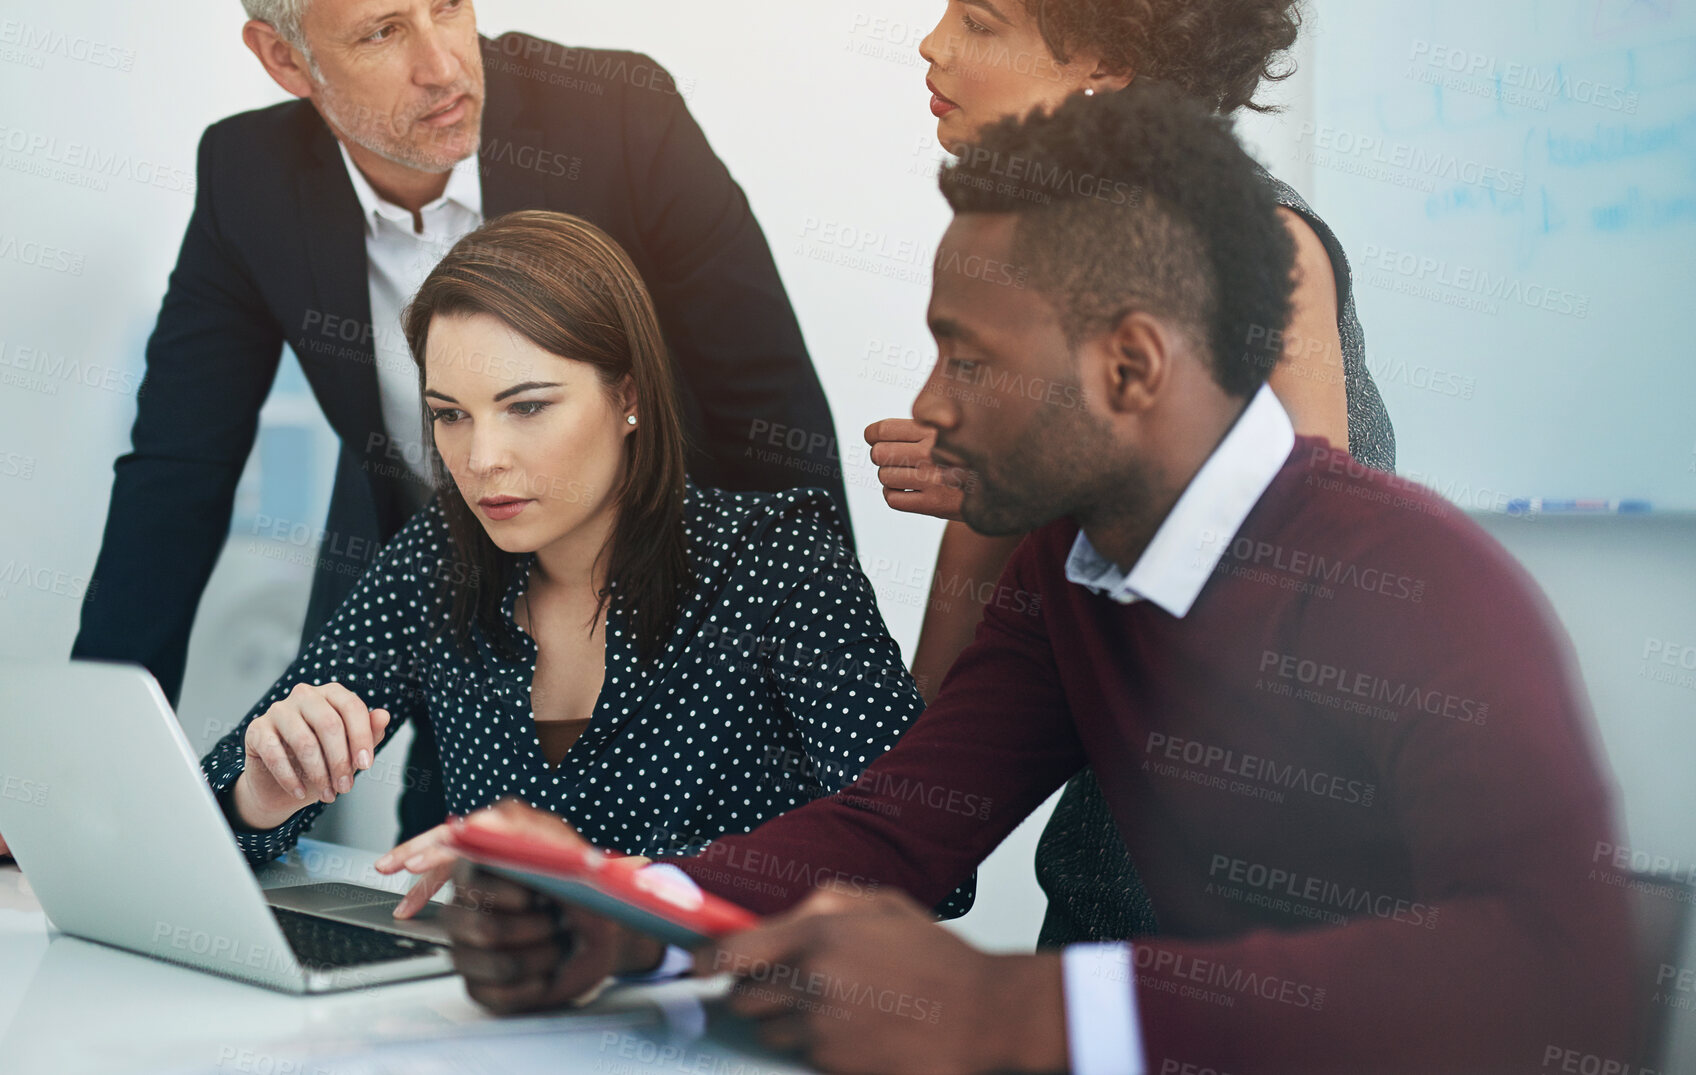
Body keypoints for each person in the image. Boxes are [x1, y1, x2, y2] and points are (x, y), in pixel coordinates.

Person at [418, 86, 1630, 1073]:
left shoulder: (1421, 584)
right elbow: (899, 828)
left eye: (969, 358)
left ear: (1131, 366)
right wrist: (626, 916)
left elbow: (1557, 976)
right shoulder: (1072, 570)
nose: (931, 406)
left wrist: (1017, 1011)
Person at [67, 0, 848, 857]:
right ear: (283, 58)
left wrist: (807, 653)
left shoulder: (618, 118)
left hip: (678, 615)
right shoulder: (247, 176)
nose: (442, 67)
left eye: (450, 3)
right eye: (382, 31)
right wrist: (83, 786)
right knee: (446, 886)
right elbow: (174, 475)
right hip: (449, 609)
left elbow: (769, 407)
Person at [865, 0, 1396, 948]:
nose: (931, 47)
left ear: (1104, 57)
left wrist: (1048, 472)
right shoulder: (1021, 271)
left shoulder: (1267, 262)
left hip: (1267, 935)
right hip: (1106, 906)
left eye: (976, 19)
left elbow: (1290, 609)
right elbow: (949, 705)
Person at [198, 209, 970, 919]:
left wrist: (605, 879)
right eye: (450, 416)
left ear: (627, 394)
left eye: (527, 406)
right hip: (510, 1023)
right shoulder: (438, 555)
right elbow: (208, 813)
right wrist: (261, 792)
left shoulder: (777, 559)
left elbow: (932, 864)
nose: (482, 459)